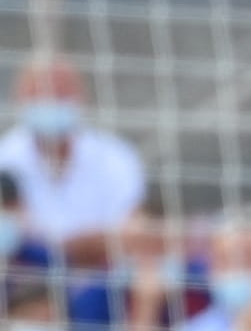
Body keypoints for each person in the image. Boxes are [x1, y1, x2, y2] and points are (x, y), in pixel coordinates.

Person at [0, 54, 146, 267]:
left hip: (99, 279)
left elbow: (131, 234)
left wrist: (48, 247)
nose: (49, 101)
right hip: (23, 283)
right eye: (39, 92)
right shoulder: (5, 157)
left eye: (60, 92)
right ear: (20, 97)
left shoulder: (116, 157)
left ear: (80, 96)